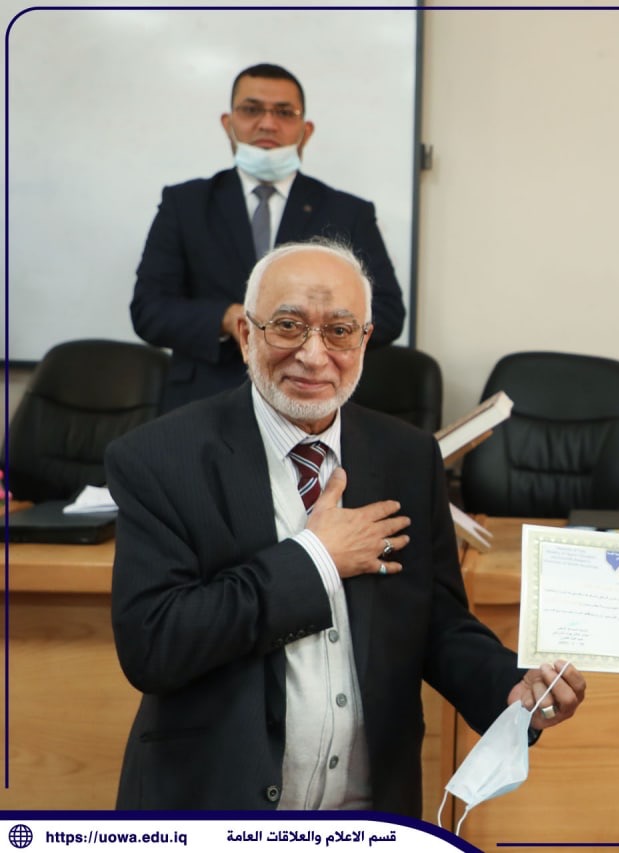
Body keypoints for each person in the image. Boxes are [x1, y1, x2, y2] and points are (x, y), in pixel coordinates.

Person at [107, 239, 584, 814]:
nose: (314, 355)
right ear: (247, 336)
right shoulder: (160, 457)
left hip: (368, 814)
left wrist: (511, 688)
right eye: (288, 326)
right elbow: (155, 644)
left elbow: (437, 622)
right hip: (215, 811)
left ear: (364, 339)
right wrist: (316, 559)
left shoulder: (406, 455)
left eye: (338, 331)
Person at [131, 63, 406, 413]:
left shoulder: (347, 212)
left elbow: (387, 313)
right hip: (203, 399)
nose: (267, 123)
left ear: (306, 130)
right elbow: (149, 310)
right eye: (251, 110)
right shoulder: (185, 203)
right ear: (228, 123)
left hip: (312, 396)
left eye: (284, 113)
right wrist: (228, 317)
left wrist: (310, 327)